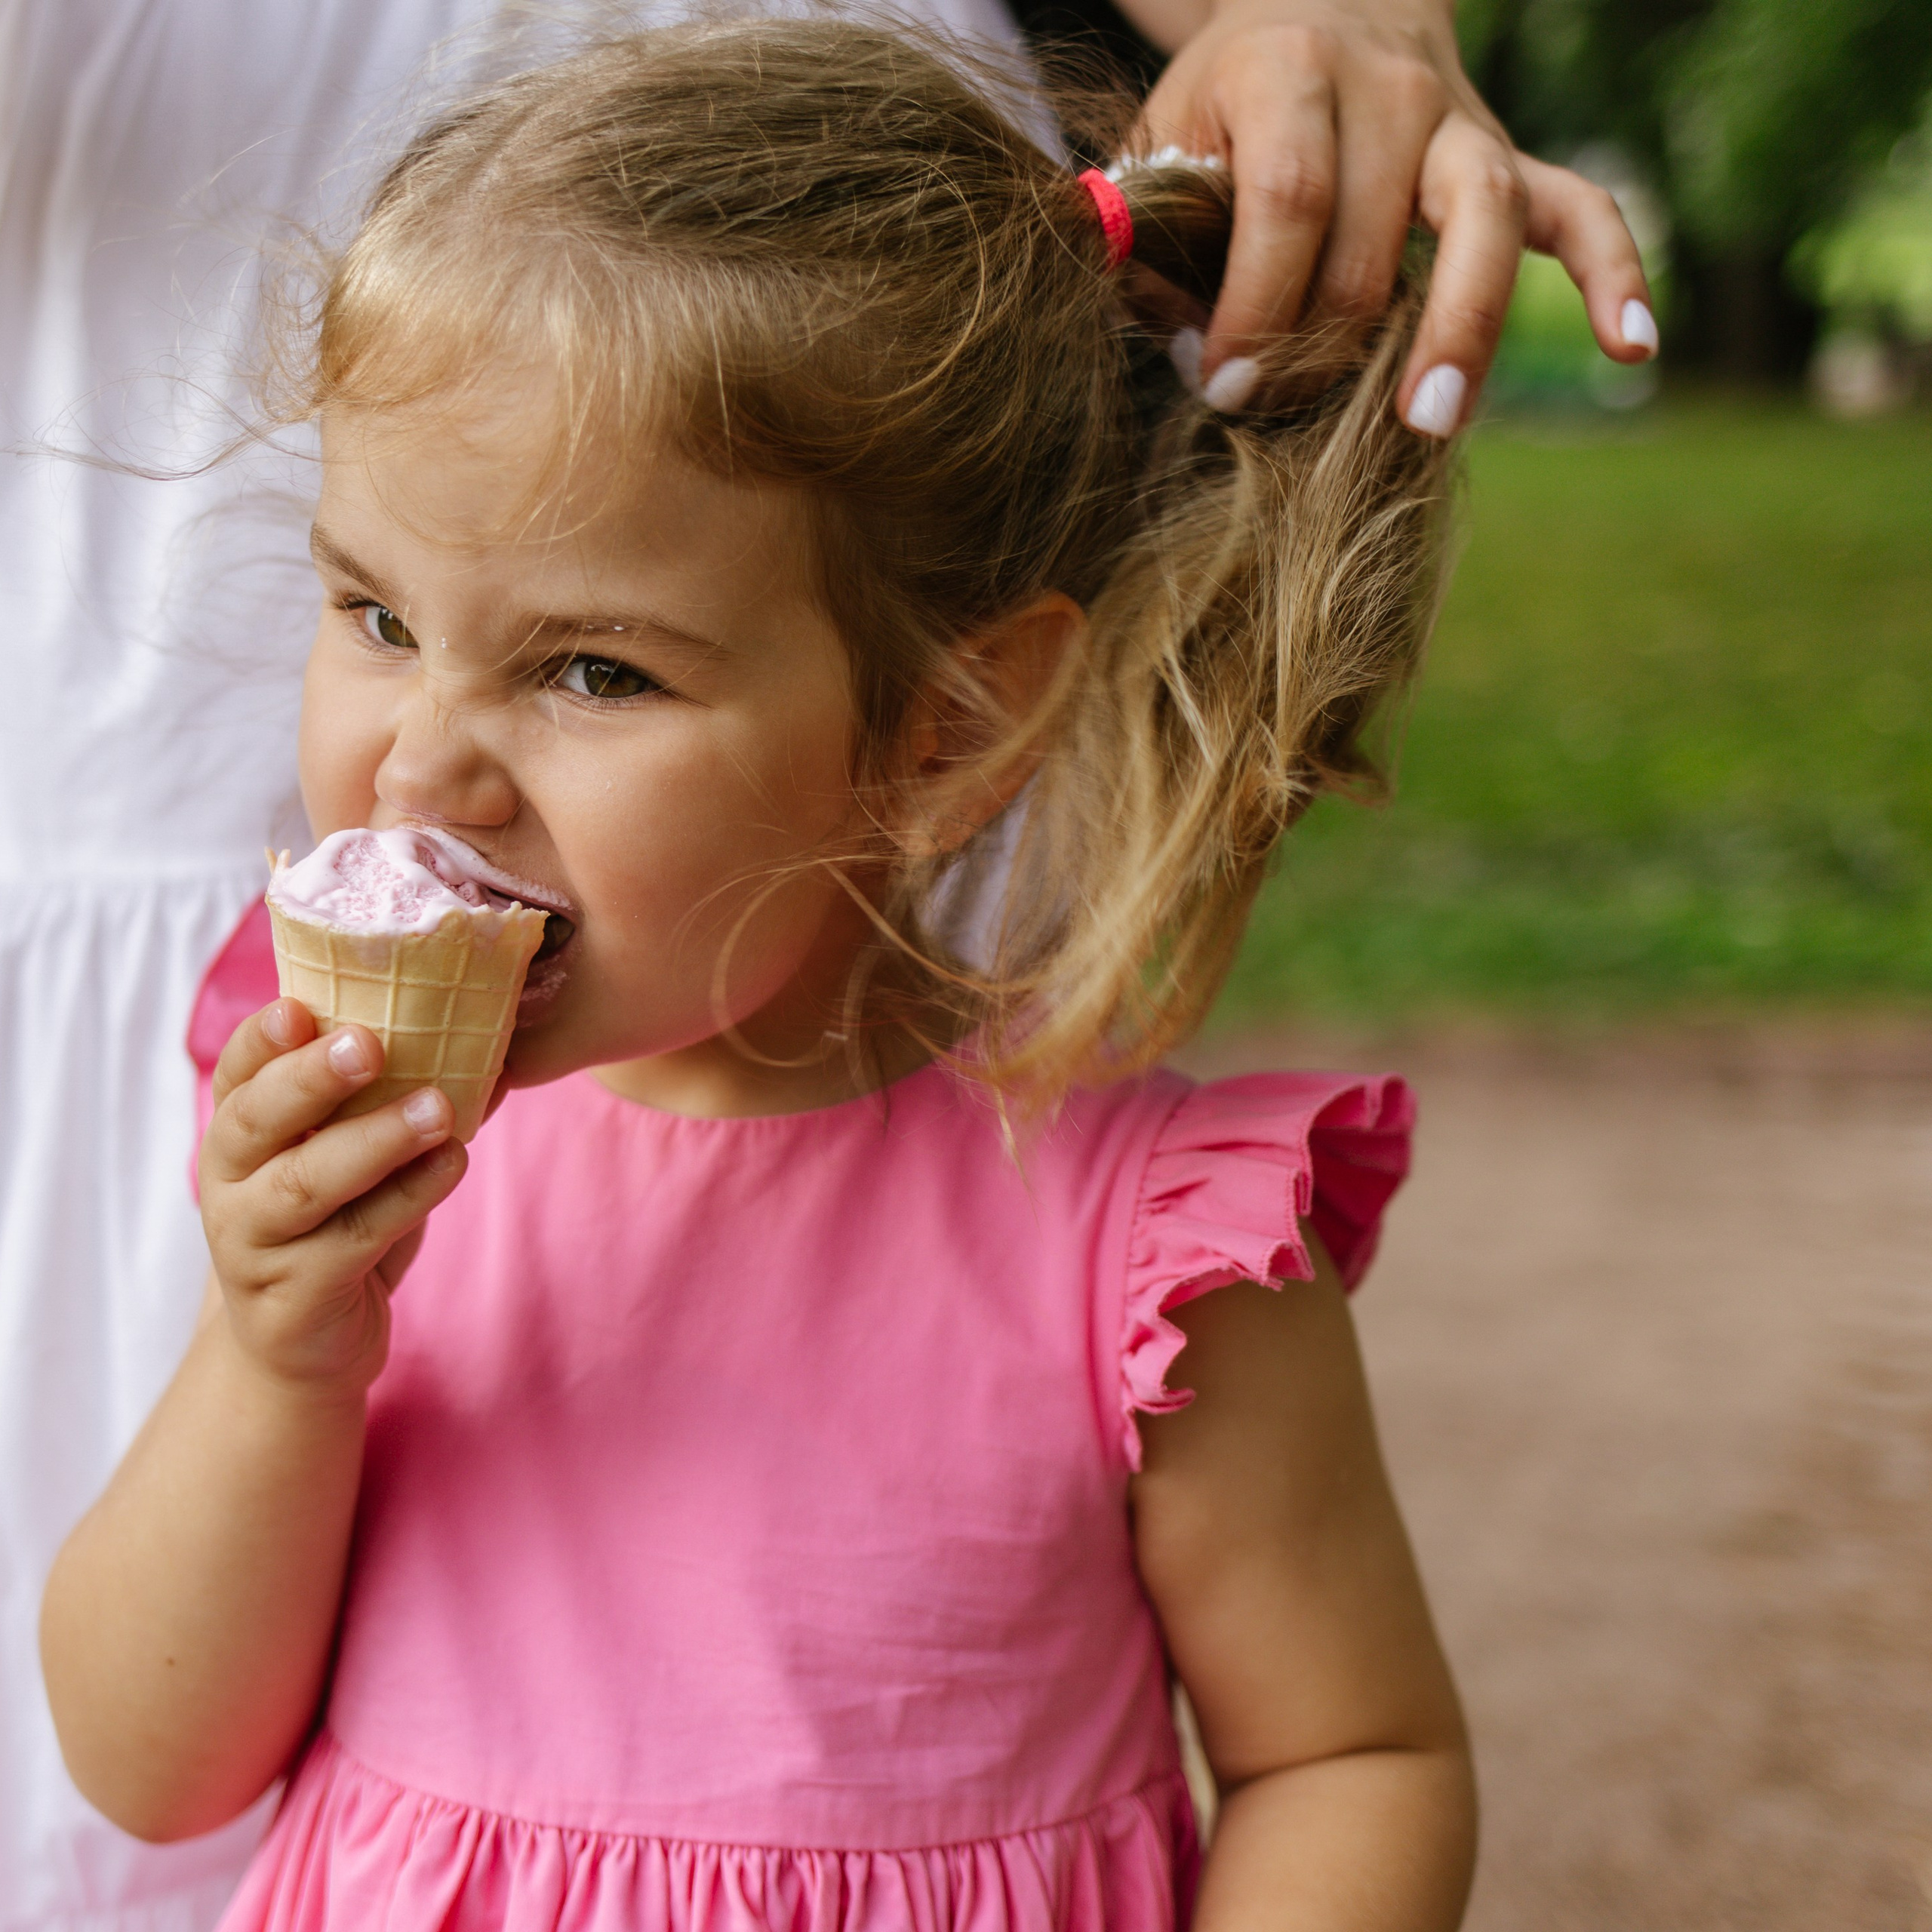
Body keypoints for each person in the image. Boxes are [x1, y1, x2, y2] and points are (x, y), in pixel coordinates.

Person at [2, 4, 1650, 1928]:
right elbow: (150, 1756)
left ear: (947, 727)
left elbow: (1346, 1756)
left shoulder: (1145, 1259)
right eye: (372, 612)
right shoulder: (367, 1165)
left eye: (589, 668)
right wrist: (277, 1355)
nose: (420, 761)